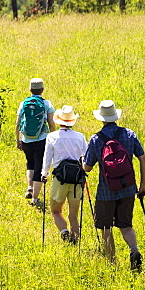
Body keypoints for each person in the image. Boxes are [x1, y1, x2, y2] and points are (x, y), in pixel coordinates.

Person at [82, 99, 145, 271]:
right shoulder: (129, 134)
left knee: (106, 228)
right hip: (128, 189)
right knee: (126, 225)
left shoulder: (96, 139)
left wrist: (82, 162)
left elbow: (87, 168)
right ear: (115, 116)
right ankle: (134, 251)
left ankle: (112, 264)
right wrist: (142, 186)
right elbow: (143, 160)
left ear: (101, 118)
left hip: (106, 192)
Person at [40, 105, 87, 243]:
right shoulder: (80, 137)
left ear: (59, 120)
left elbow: (47, 157)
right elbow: (86, 156)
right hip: (77, 179)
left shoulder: (52, 137)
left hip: (60, 179)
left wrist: (44, 174)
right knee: (74, 215)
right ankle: (76, 241)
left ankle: (64, 232)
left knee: (55, 211)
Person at [15, 77, 55, 206]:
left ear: (30, 89)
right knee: (39, 167)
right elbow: (51, 123)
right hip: (41, 139)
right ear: (42, 90)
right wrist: (53, 138)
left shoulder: (23, 103)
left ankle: (29, 188)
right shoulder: (47, 104)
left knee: (30, 163)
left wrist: (18, 140)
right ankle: (35, 199)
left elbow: (17, 124)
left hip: (26, 138)